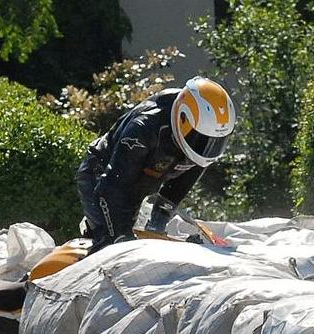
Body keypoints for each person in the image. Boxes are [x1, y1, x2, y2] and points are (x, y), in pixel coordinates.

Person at [76, 76, 236, 252]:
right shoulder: (143, 128)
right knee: (111, 243)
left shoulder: (197, 146)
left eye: (216, 141)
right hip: (102, 175)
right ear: (183, 117)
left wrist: (160, 219)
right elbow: (112, 188)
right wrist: (121, 236)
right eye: (203, 140)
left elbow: (182, 182)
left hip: (138, 181)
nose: (208, 148)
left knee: (140, 239)